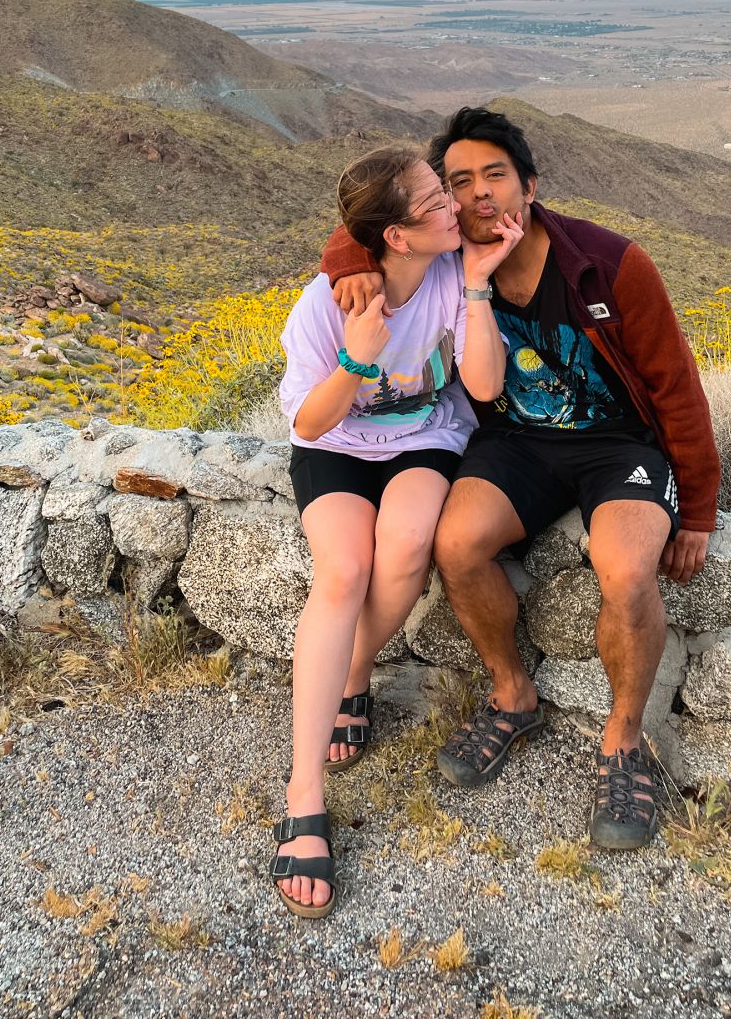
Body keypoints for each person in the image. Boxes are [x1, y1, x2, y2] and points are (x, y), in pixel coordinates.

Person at [321, 107, 720, 851]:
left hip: (617, 445)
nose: (476, 195)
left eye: (494, 176)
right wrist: (348, 261)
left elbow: (676, 389)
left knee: (627, 570)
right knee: (458, 542)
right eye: (457, 182)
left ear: (530, 186)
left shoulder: (609, 266)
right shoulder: (446, 258)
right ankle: (513, 694)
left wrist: (697, 509)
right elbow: (369, 222)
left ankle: (624, 743)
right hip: (516, 443)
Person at [270, 144, 522, 918]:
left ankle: (351, 676)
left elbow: (480, 385)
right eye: (437, 201)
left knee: (409, 541)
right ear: (398, 236)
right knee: (343, 572)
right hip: (336, 447)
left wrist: (477, 288)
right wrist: (357, 358)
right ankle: (302, 792)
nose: (456, 203)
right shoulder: (324, 303)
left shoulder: (452, 271)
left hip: (423, 438)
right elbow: (310, 421)